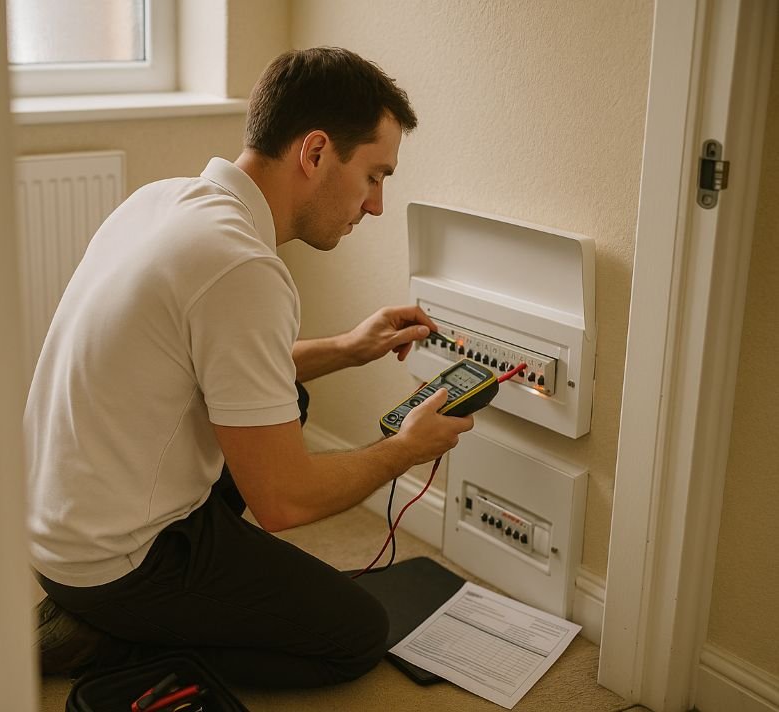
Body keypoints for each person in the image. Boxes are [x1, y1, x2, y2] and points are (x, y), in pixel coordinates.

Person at [26, 46, 474, 690]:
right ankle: (116, 637)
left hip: (62, 530)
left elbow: (216, 372)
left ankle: (121, 611)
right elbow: (283, 502)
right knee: (354, 637)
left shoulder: (166, 202)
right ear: (315, 153)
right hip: (115, 563)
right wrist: (404, 449)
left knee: (288, 401)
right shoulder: (240, 266)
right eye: (375, 176)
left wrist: (348, 347)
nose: (375, 205)